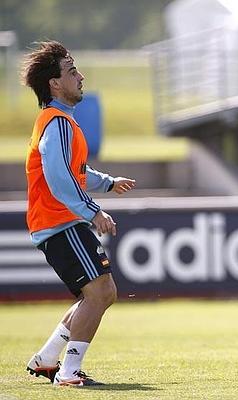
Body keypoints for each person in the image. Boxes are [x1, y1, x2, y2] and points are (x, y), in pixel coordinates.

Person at [22, 40, 136, 386]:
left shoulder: (60, 122)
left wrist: (107, 183)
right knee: (99, 293)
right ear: (55, 83)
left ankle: (46, 359)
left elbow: (76, 172)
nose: (81, 76)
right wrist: (92, 211)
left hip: (60, 222)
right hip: (59, 223)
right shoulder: (55, 123)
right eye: (72, 71)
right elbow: (58, 178)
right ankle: (68, 372)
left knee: (101, 293)